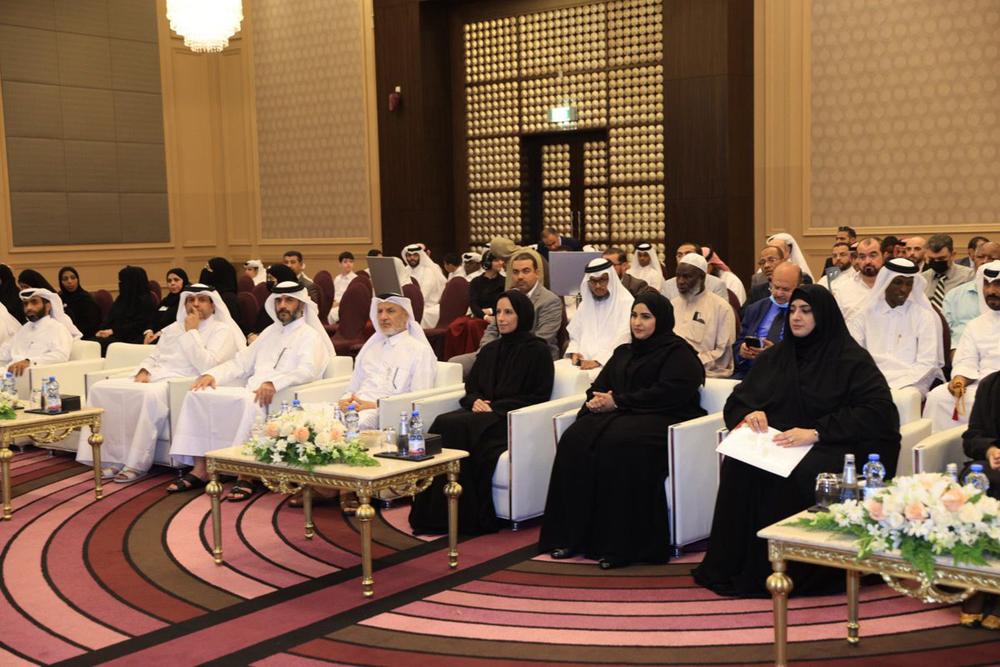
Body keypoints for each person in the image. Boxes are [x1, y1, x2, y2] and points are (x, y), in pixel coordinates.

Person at [693, 285, 900, 598]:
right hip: (780, 443)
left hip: (832, 444)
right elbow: (738, 400)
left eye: (806, 311)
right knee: (739, 465)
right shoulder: (776, 357)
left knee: (797, 474)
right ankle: (737, 565)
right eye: (792, 310)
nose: (796, 317)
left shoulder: (850, 359)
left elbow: (877, 413)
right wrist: (752, 413)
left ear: (823, 315)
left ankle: (791, 569)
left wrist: (816, 432)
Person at [539, 291, 706, 568]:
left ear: (661, 319)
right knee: (574, 437)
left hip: (665, 417)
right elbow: (599, 385)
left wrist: (619, 402)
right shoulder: (624, 351)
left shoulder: (678, 353)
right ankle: (571, 536)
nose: (637, 323)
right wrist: (598, 399)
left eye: (645, 317)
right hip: (621, 414)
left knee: (619, 444)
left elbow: (671, 392)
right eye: (634, 315)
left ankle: (619, 547)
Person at [409, 290, 555, 535]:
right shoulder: (490, 350)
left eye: (509, 312)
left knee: (458, 427)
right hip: (481, 415)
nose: (502, 318)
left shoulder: (538, 351)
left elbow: (538, 396)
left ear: (523, 315)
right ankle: (434, 513)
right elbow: (471, 387)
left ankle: (464, 516)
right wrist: (475, 400)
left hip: (507, 420)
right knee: (442, 422)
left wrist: (493, 408)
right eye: (498, 312)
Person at [167, 281, 333, 496]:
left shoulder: (310, 336)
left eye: (289, 300)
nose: (283, 305)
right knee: (197, 393)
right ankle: (200, 468)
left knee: (249, 401)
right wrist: (212, 374)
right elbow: (240, 363)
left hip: (278, 395)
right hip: (253, 390)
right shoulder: (269, 332)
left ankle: (245, 474)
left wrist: (274, 383)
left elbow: (307, 371)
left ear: (301, 305)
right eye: (279, 300)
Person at [76, 285, 244, 483]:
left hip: (182, 382)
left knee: (147, 395)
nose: (195, 304)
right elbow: (155, 356)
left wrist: (192, 332)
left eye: (201, 300)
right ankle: (112, 459)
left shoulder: (222, 330)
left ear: (213, 305)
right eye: (191, 300)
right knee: (101, 388)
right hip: (156, 376)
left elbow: (207, 366)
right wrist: (143, 371)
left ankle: (136, 463)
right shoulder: (173, 328)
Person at [450, 252, 562, 376]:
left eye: (526, 271)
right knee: (456, 364)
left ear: (536, 273)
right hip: (499, 352)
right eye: (515, 272)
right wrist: (488, 351)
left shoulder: (549, 300)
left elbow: (542, 339)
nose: (520, 276)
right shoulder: (508, 296)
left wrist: (505, 354)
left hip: (530, 356)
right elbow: (492, 330)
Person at [337, 294, 437, 430]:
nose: (383, 317)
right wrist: (343, 400)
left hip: (383, 413)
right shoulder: (370, 348)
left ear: (405, 316)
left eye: (390, 311)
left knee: (355, 424)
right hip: (354, 408)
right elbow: (352, 388)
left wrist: (375, 405)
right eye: (379, 311)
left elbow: (419, 400)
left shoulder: (419, 351)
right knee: (311, 416)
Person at [848, 258, 943, 397]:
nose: (904, 289)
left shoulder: (923, 316)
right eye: (898, 282)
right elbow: (855, 358)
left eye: (909, 284)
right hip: (870, 381)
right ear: (885, 282)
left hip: (912, 383)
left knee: (902, 399)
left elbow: (927, 362)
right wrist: (875, 383)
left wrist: (897, 386)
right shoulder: (862, 315)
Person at [924, 261, 1000, 433]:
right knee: (939, 397)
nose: (991, 291)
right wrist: (960, 379)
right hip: (982, 387)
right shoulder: (976, 325)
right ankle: (942, 456)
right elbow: (967, 359)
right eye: (986, 284)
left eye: (998, 284)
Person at [958, 367, 1000, 628]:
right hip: (994, 468)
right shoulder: (992, 384)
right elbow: (971, 437)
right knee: (975, 481)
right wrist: (990, 449)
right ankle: (975, 579)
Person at [565, 258, 633, 381]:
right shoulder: (585, 304)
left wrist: (598, 360)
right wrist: (575, 352)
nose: (597, 286)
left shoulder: (626, 302)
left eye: (602, 280)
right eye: (593, 281)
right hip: (584, 364)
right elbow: (575, 334)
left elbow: (624, 337)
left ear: (611, 279)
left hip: (612, 364)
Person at [670, 253, 735, 378]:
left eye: (687, 277)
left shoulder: (721, 307)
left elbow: (723, 355)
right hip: (671, 373)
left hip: (706, 375)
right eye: (678, 276)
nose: (680, 282)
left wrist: (691, 363)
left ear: (702, 277)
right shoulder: (672, 305)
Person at [733, 262, 801, 379]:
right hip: (749, 374)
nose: (779, 293)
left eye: (786, 289)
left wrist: (776, 353)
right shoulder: (755, 309)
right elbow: (737, 343)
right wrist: (742, 351)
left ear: (799, 287)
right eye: (775, 287)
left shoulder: (805, 314)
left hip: (786, 376)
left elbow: (808, 352)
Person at [0, 289, 76, 375]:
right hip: (9, 372)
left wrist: (29, 362)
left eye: (34, 302)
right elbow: (7, 351)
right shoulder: (25, 328)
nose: (29, 307)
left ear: (47, 306)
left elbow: (61, 355)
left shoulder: (57, 328)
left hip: (33, 374)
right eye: (25, 304)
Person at [944, 241, 1000, 355]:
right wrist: (953, 354)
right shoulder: (954, 295)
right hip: (960, 355)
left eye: (991, 258)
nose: (984, 261)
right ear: (973, 259)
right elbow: (945, 333)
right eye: (980, 257)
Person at [95, 266, 156, 353]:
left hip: (130, 338)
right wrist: (102, 330)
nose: (120, 284)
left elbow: (139, 326)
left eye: (123, 282)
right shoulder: (122, 298)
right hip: (115, 335)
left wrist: (113, 331)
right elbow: (110, 317)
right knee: (92, 343)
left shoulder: (146, 301)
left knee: (99, 345)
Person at [832, 236, 883, 324]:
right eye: (862, 257)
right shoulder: (842, 290)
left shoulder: (894, 286)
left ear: (884, 256)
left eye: (873, 255)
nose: (867, 261)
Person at [661, 242, 729, 301]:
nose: (683, 258)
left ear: (700, 258)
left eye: (688, 254)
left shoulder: (717, 284)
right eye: (679, 255)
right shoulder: (667, 285)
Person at [922, 234, 974, 310]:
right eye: (932, 259)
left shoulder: (969, 276)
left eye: (941, 258)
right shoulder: (922, 278)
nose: (936, 262)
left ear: (953, 255)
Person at [402, 243, 447, 327]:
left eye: (415, 255)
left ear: (420, 256)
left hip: (426, 307)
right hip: (408, 305)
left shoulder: (428, 272)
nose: (412, 258)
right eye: (409, 255)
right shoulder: (404, 270)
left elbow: (423, 296)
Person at [144, 268, 191, 344]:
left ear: (184, 281)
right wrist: (149, 331)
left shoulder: (187, 301)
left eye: (176, 280)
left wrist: (160, 333)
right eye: (169, 281)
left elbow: (180, 325)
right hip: (155, 335)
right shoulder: (166, 300)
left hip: (173, 337)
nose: (172, 283)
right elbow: (153, 318)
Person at [57, 266, 102, 340]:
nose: (70, 281)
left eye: (73, 278)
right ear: (61, 282)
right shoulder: (60, 298)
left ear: (78, 279)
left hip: (84, 337)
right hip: (63, 335)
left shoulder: (86, 299)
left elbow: (91, 326)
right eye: (65, 279)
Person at [199, 258, 242, 327]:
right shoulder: (207, 296)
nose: (204, 271)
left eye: (208, 268)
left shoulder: (228, 299)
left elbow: (231, 328)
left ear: (219, 274)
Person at [468, 251, 505, 320]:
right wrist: (485, 316)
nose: (501, 263)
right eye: (496, 260)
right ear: (487, 263)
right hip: (479, 317)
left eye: (501, 260)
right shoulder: (475, 282)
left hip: (498, 317)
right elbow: (473, 303)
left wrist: (490, 311)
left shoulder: (504, 282)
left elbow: (505, 305)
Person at [327, 251, 358, 325]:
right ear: (340, 264)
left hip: (347, 306)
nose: (348, 264)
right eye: (345, 262)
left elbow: (353, 299)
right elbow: (334, 294)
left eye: (351, 261)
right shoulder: (337, 278)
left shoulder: (355, 279)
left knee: (330, 314)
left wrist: (339, 304)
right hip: (335, 304)